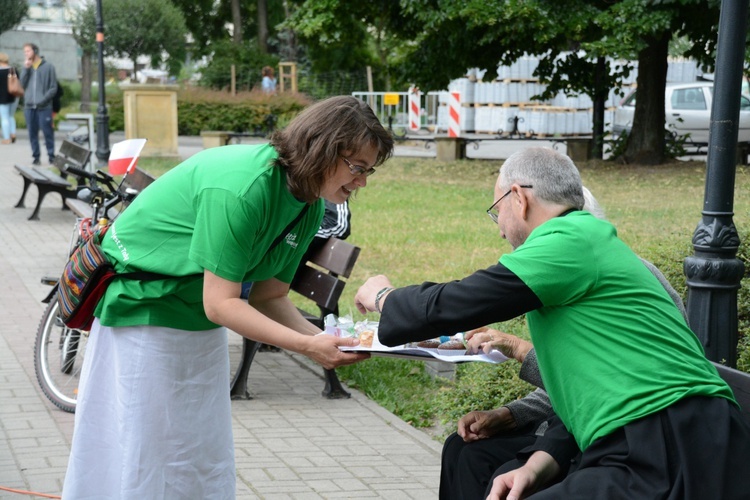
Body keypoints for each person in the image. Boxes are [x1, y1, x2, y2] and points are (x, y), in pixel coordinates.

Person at [354, 147, 750, 499]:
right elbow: (590, 386)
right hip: (671, 436)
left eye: (497, 212)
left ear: (519, 198)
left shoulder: (568, 242)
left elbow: (457, 302)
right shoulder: (589, 242)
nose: (500, 228)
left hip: (672, 438)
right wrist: (540, 462)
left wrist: (383, 297)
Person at [62, 95, 394, 498]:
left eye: (368, 171)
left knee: (198, 453)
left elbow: (269, 295)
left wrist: (320, 338)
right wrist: (308, 345)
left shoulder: (306, 204)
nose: (362, 182)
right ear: (322, 148)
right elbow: (220, 302)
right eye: (357, 168)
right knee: (143, 454)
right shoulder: (244, 187)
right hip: (144, 318)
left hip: (198, 325)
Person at [439, 188, 691, 500]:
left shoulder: (624, 279)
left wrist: (519, 350)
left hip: (609, 436)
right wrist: (509, 414)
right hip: (571, 428)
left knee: (502, 475)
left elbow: (600, 386)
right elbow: (569, 386)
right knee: (462, 449)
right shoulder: (563, 273)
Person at [20, 42, 57, 165]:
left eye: (28, 51)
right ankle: (36, 157)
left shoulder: (48, 67)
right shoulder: (26, 67)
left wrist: (43, 100)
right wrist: (26, 69)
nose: (26, 54)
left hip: (44, 107)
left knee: (48, 133)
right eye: (25, 52)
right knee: (32, 133)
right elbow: (22, 85)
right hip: (29, 107)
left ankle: (51, 156)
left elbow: (53, 88)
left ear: (35, 51)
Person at [0, 53, 19, 145]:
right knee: (11, 116)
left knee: (4, 117)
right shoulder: (13, 70)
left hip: (2, 98)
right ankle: (13, 134)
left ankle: (6, 138)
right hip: (14, 96)